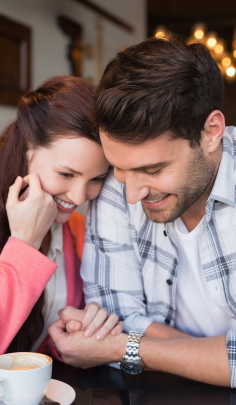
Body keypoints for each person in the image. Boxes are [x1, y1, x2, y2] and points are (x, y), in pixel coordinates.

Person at [48, 36, 236, 388]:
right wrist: (216, 358)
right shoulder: (119, 187)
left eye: (152, 170)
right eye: (119, 169)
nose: (131, 194)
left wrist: (124, 348)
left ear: (211, 132)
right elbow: (114, 314)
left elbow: (114, 339)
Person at [0, 75, 124, 395]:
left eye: (96, 179)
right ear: (28, 150)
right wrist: (23, 246)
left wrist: (76, 334)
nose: (79, 196)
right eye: (66, 174)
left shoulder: (77, 231)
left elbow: (35, 345)